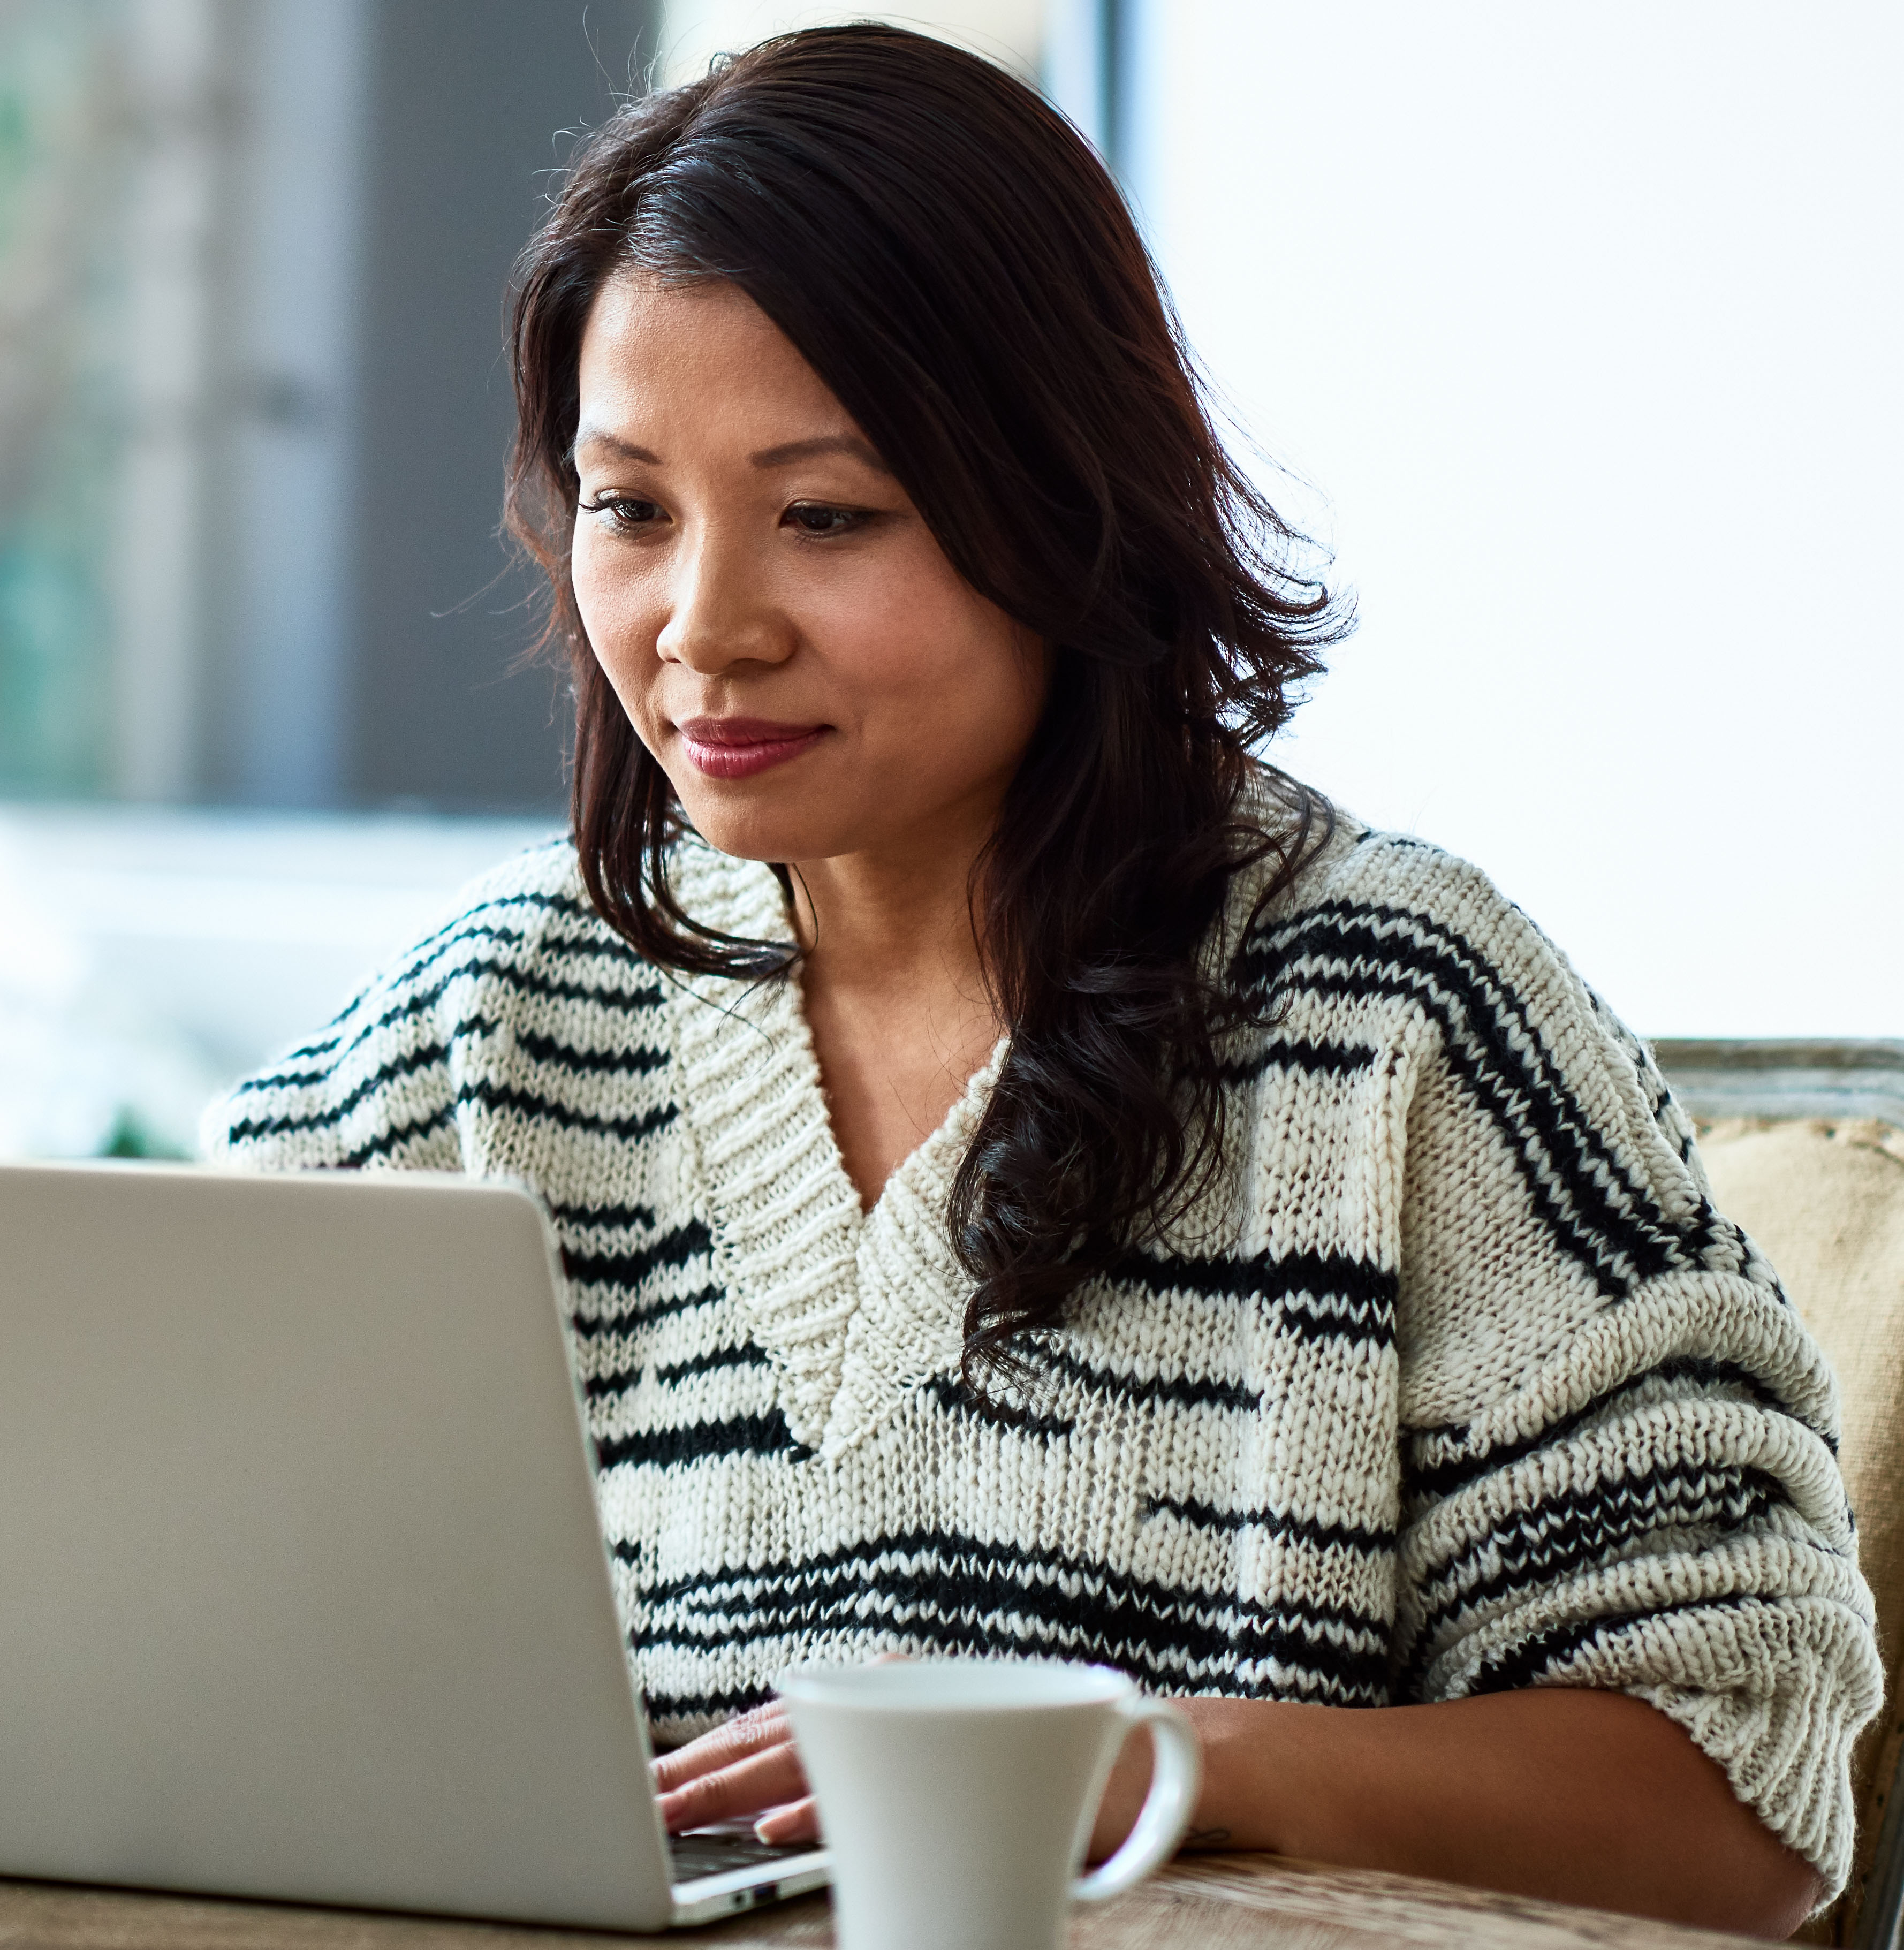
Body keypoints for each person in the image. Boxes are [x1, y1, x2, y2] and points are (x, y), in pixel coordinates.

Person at [199, 25, 1872, 1938]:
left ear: (1063, 505)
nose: (703, 625)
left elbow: (1738, 1798)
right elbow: (150, 1618)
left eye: (828, 513)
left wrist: (1151, 1762)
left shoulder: (1402, 1018)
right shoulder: (474, 1036)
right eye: (630, 505)